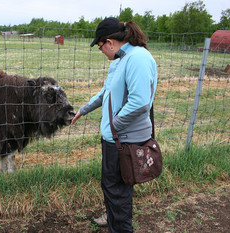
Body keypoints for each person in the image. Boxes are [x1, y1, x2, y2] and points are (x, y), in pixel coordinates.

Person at [71, 17, 158, 232]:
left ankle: (118, 227)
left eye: (100, 46)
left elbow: (140, 102)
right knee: (113, 189)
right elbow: (106, 93)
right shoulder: (122, 59)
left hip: (124, 141)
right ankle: (113, 223)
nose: (101, 51)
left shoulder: (137, 58)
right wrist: (83, 110)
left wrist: (114, 125)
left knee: (117, 193)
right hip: (117, 139)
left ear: (109, 42)